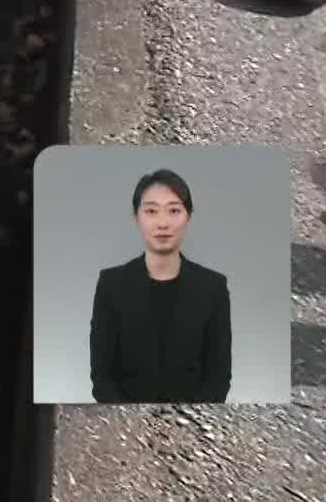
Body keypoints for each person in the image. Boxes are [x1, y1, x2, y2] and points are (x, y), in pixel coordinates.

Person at [87, 168, 233, 404]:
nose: (163, 223)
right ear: (136, 217)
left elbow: (218, 377)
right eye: (151, 211)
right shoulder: (111, 285)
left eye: (174, 210)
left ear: (189, 216)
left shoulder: (213, 287)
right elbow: (102, 377)